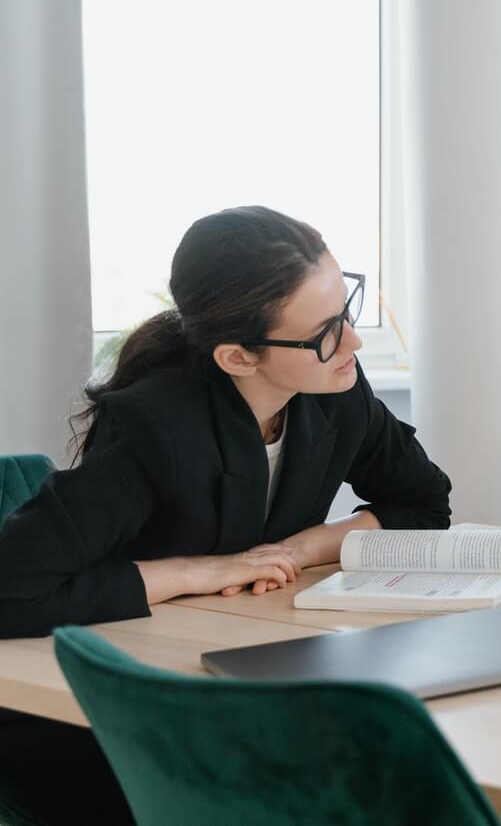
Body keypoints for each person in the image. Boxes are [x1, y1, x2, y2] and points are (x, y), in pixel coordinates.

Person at [0, 205, 451, 823]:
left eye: (345, 310)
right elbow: (9, 588)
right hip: (104, 727)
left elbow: (423, 504)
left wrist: (301, 548)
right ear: (238, 357)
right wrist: (194, 572)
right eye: (324, 331)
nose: (351, 341)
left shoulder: (335, 389)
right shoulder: (154, 427)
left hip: (244, 680)